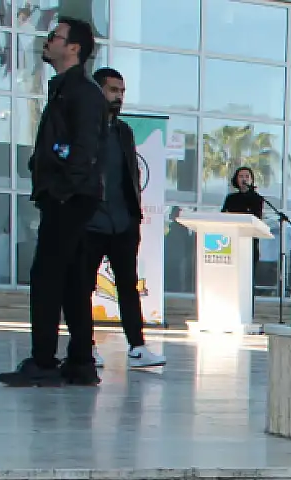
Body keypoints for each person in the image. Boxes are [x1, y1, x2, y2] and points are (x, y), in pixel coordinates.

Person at [0, 18, 108, 388]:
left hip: (70, 200)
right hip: (69, 197)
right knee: (74, 281)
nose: (48, 42)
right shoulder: (65, 90)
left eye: (55, 37)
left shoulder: (83, 93)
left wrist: (61, 191)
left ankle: (44, 361)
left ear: (73, 48)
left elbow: (85, 151)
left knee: (46, 277)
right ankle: (80, 362)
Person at [80, 68, 164, 372]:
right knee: (83, 287)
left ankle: (137, 347)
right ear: (98, 91)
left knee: (128, 287)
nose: (118, 97)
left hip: (123, 224)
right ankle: (85, 347)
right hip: (90, 224)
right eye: (113, 90)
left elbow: (132, 175)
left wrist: (133, 216)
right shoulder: (84, 129)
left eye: (122, 92)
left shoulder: (124, 132)